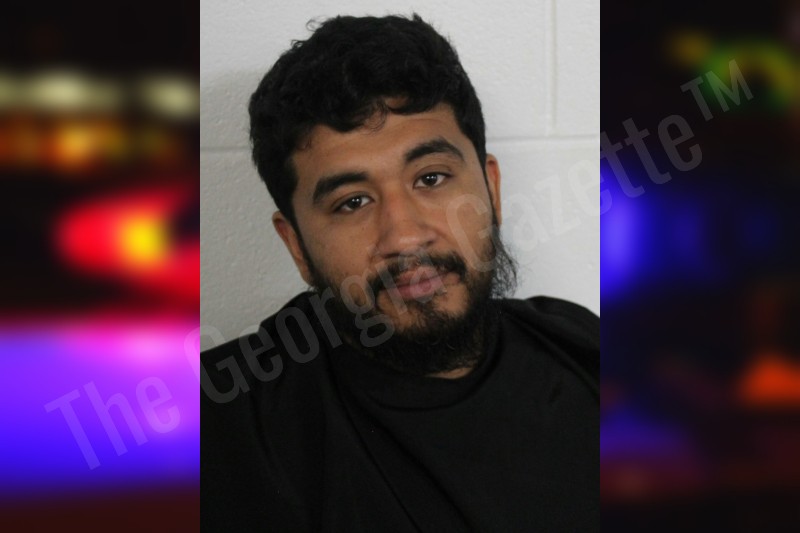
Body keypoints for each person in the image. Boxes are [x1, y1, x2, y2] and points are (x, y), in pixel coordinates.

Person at [201, 14, 598, 532]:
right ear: (296, 244)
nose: (406, 237)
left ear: (491, 189)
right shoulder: (216, 424)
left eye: (431, 178)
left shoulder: (583, 347)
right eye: (352, 202)